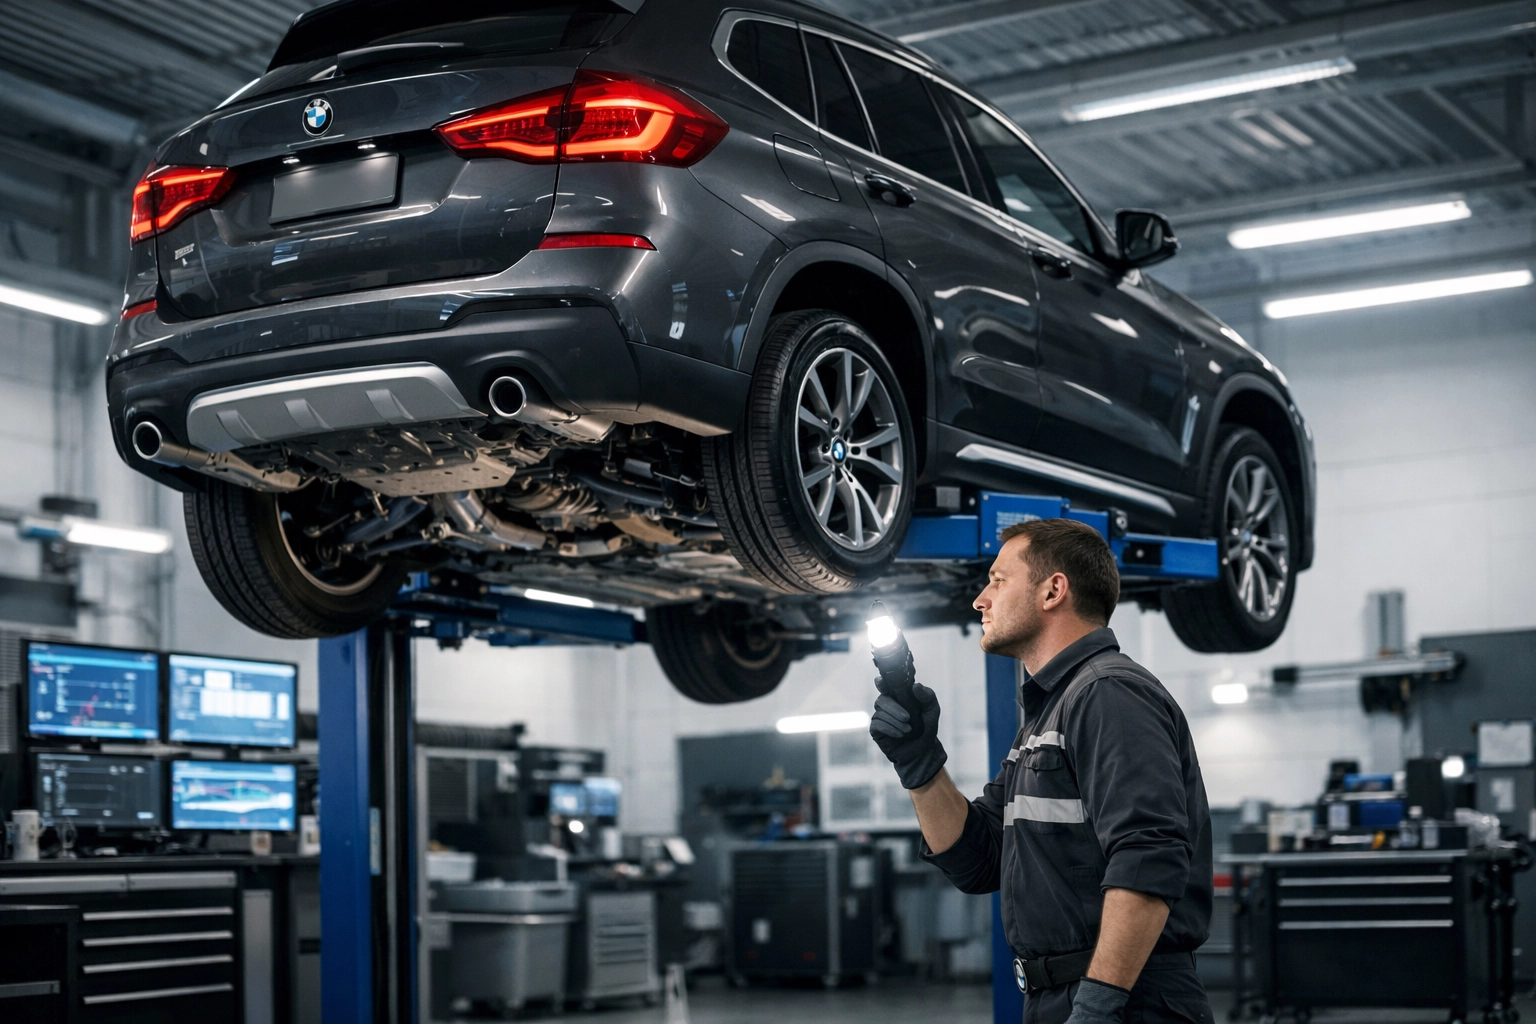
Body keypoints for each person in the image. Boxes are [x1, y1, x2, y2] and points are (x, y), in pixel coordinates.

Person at [869, 518, 1213, 1024]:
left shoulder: (1107, 692)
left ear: (1053, 591)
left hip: (1126, 1000)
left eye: (998, 580)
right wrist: (919, 763)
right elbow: (979, 860)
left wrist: (1097, 1006)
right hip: (1068, 996)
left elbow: (1148, 856)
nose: (980, 600)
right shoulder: (1050, 713)